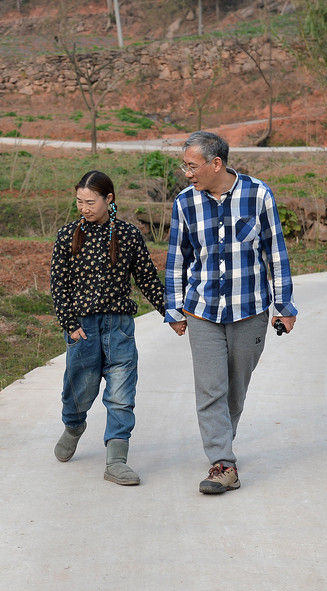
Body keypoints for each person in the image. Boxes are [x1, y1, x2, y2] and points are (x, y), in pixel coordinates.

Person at [164, 131, 297, 494]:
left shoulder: (258, 195)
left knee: (235, 389)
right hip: (202, 310)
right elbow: (178, 259)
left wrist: (284, 304)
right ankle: (223, 462)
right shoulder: (184, 203)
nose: (186, 172)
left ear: (216, 163)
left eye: (192, 165)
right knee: (211, 389)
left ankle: (221, 441)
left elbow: (275, 253)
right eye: (185, 165)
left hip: (249, 309)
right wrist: (174, 308)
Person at [50, 170, 165, 485]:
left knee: (121, 395)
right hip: (83, 329)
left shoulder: (128, 235)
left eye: (90, 201)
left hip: (119, 329)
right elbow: (59, 285)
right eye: (79, 202)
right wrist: (70, 325)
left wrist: (172, 313)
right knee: (80, 390)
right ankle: (73, 425)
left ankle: (116, 461)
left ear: (108, 199)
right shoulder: (68, 235)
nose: (84, 208)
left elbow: (145, 277)